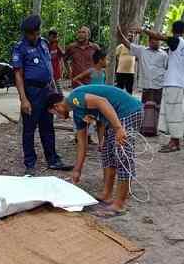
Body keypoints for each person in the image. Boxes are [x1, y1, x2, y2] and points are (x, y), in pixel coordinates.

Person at [47, 85, 143, 216]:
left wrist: (119, 128)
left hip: (128, 111)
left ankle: (119, 204)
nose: (57, 116)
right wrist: (77, 170)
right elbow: (82, 144)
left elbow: (102, 102)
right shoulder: (77, 114)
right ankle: (106, 195)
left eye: (54, 113)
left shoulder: (74, 98)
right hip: (114, 119)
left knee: (122, 156)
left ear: (57, 106)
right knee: (107, 154)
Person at [12, 15, 72, 176]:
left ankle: (53, 160)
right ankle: (30, 163)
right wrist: (23, 99)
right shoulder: (19, 48)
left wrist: (53, 87)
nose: (35, 36)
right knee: (29, 128)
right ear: (26, 33)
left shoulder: (44, 43)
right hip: (32, 92)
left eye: (37, 33)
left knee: (48, 126)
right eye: (31, 34)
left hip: (47, 90)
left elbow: (48, 66)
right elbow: (18, 74)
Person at [133, 21, 184, 152]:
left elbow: (159, 36)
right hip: (178, 82)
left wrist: (143, 29)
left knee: (173, 113)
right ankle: (174, 141)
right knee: (173, 111)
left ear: (173, 30)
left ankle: (175, 142)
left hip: (173, 82)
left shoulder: (176, 41)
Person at [117, 26, 168, 137]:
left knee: (156, 108)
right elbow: (126, 43)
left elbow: (166, 68)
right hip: (147, 84)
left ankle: (154, 130)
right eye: (154, 40)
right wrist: (120, 32)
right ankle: (144, 129)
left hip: (158, 84)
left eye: (158, 40)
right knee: (146, 107)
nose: (157, 42)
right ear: (149, 41)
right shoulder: (141, 51)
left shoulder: (164, 54)